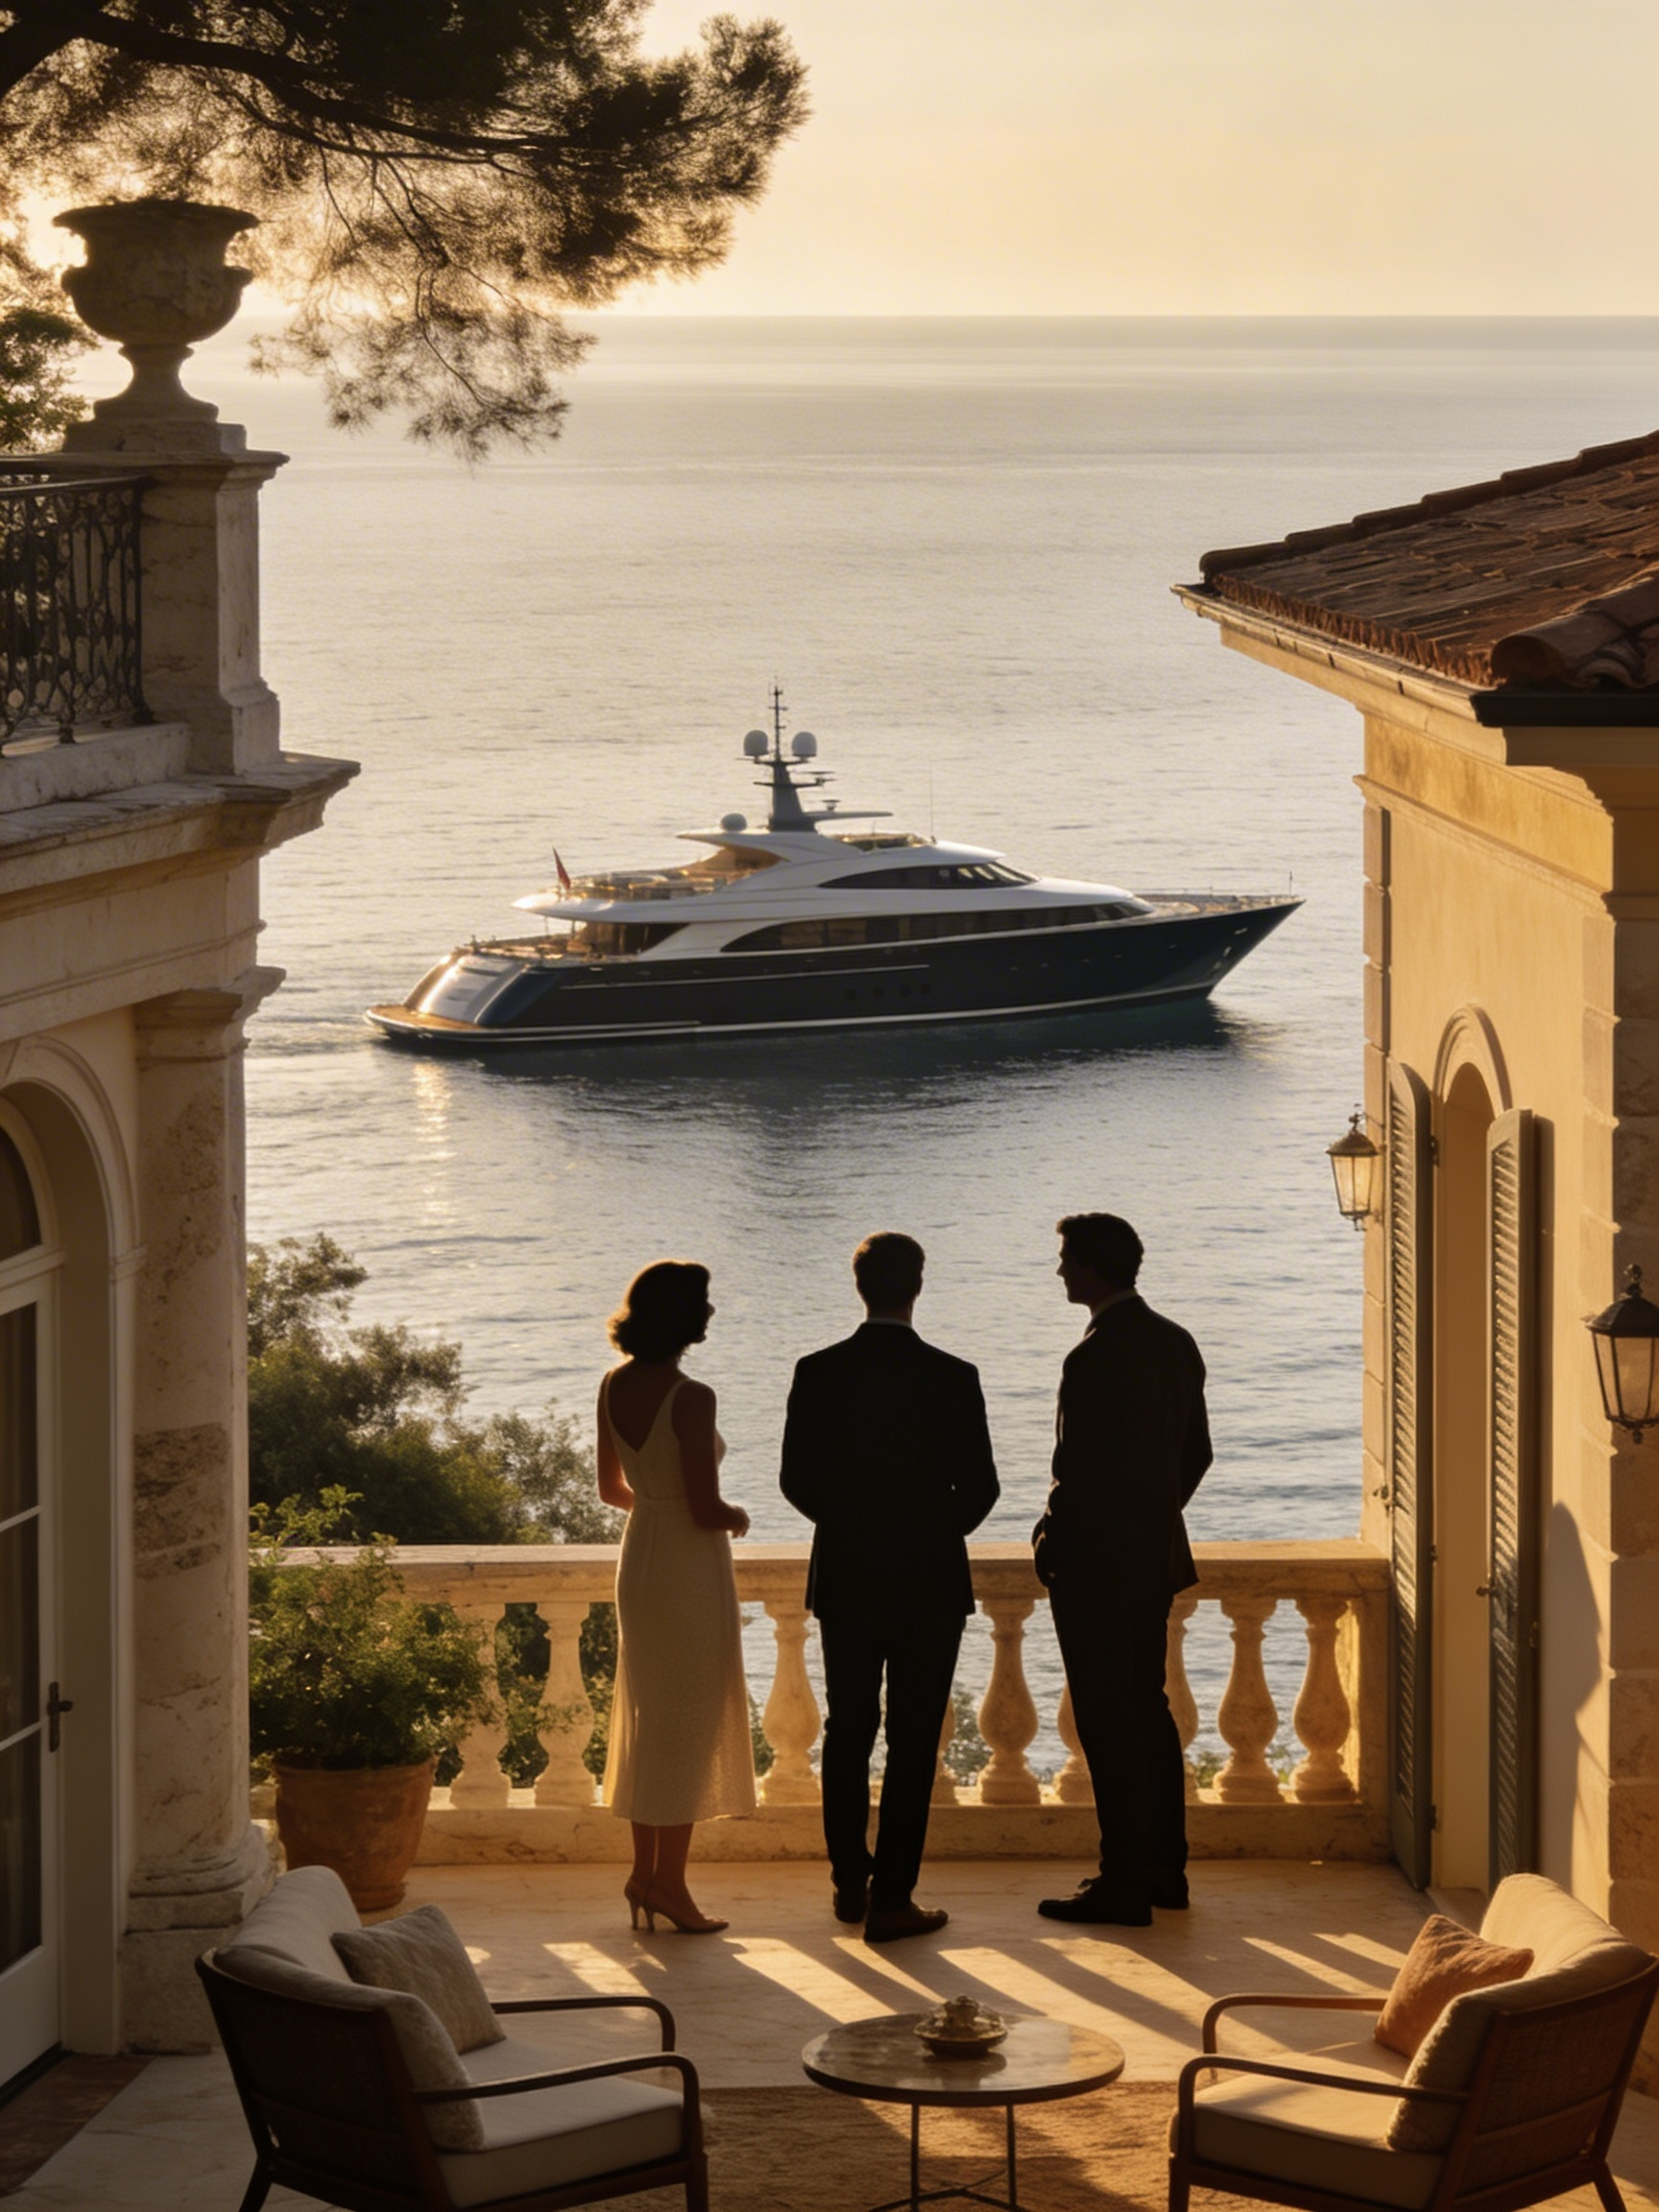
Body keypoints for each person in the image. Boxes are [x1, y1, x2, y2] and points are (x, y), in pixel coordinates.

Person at [781, 1232, 998, 1943]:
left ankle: (849, 1880)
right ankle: (893, 1896)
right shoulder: (953, 1375)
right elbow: (983, 1487)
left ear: (859, 1285)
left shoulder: (817, 1371)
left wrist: (853, 1526)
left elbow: (795, 1480)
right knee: (912, 1741)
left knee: (848, 1731)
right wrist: (929, 1532)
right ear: (918, 1286)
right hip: (930, 1582)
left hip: (847, 1575)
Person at [1030, 1212, 1212, 1927]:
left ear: (1095, 1268)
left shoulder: (1094, 1356)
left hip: (1097, 1566)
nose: (1061, 1271)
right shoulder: (1175, 1342)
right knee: (1149, 1707)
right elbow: (1195, 1454)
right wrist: (1155, 1520)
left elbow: (1076, 1473)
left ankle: (1122, 1880)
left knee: (1107, 1719)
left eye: (1068, 1259)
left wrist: (1052, 1540)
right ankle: (1167, 1870)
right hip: (1153, 1558)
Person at [599, 1259, 756, 1933]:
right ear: (685, 1317)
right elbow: (705, 1504)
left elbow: (611, 1491)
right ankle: (671, 1886)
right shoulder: (692, 1396)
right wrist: (737, 1516)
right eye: (704, 1302)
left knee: (648, 1716)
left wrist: (654, 1505)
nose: (712, 1312)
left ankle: (646, 1876)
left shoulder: (611, 1385)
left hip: (640, 1560)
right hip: (688, 1569)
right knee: (687, 1721)